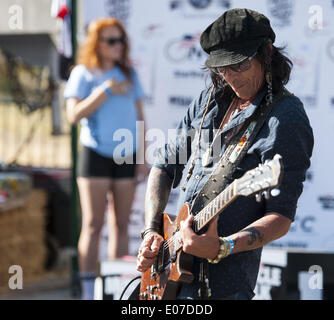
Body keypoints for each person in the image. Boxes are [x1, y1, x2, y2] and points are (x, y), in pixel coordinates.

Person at [136, 8, 314, 300]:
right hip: (168, 280)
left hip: (222, 289)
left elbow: (280, 216)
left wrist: (223, 246)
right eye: (222, 68)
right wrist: (152, 231)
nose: (230, 76)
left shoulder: (286, 117)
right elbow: (164, 166)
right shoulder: (208, 101)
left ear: (266, 53)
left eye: (238, 65)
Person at [64, 17, 147, 300]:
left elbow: (140, 117)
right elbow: (73, 115)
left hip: (126, 155)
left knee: (122, 224)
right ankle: (88, 290)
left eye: (121, 40)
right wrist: (105, 90)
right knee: (92, 224)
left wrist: (143, 156)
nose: (118, 46)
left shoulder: (130, 74)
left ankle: (117, 287)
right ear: (96, 44)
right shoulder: (83, 74)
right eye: (111, 40)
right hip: (94, 154)